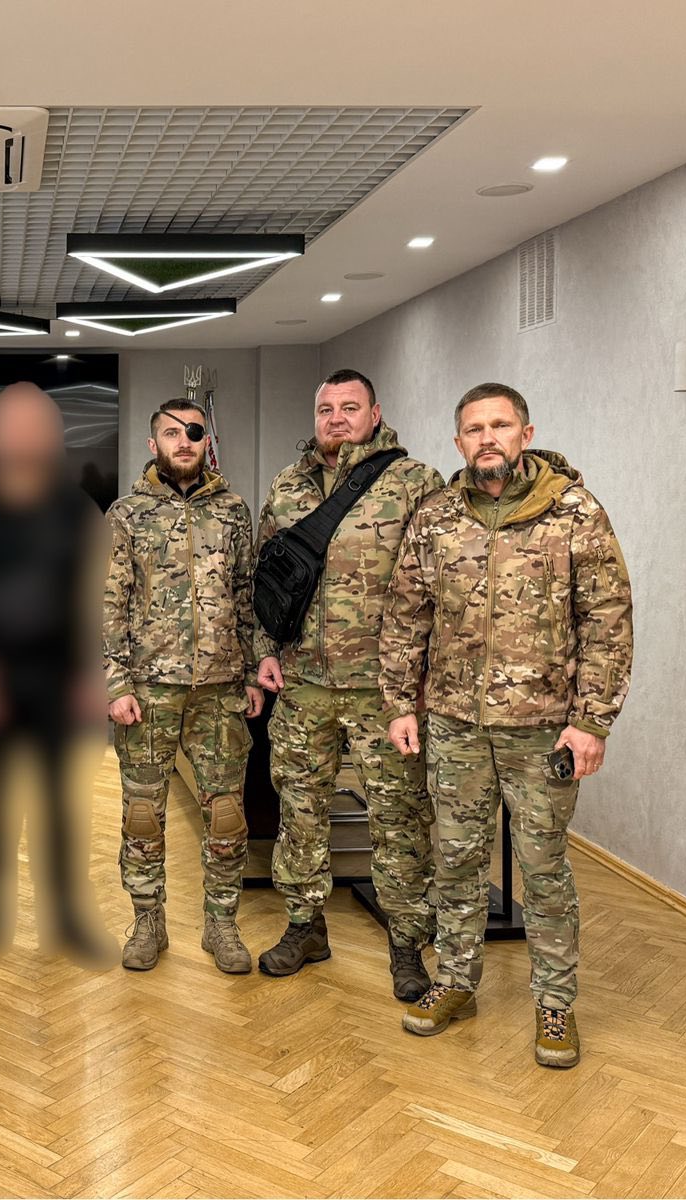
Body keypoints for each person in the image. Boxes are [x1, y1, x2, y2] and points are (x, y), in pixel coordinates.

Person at [381, 382, 633, 1068]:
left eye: (499, 425)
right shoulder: (435, 518)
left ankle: (555, 1003)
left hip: (542, 729)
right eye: (474, 428)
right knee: (456, 861)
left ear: (526, 433)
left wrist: (591, 721)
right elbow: (405, 617)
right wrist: (400, 703)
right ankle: (456, 981)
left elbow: (608, 622)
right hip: (455, 724)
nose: (487, 438)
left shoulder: (575, 512)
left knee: (543, 868)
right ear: (458, 441)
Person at [252, 369, 444, 998]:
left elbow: (439, 588)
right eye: (326, 408)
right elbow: (264, 578)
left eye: (349, 407)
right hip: (303, 684)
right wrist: (264, 651)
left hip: (383, 692)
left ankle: (408, 946)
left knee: (398, 818)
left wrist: (423, 677)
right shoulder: (288, 485)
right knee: (300, 812)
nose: (336, 419)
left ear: (375, 413)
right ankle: (305, 926)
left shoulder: (414, 483)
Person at [0, 383, 114, 968]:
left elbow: (102, 603)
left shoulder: (80, 511)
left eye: (36, 428)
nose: (24, 441)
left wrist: (93, 675)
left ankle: (69, 921)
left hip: (61, 684)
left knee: (64, 810)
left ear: (53, 438)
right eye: (13, 428)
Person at [103, 397, 263, 974]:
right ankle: (149, 921)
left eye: (194, 432)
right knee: (143, 814)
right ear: (154, 445)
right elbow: (106, 603)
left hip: (220, 690)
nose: (185, 441)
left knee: (226, 814)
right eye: (172, 433)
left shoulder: (233, 511)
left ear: (205, 440)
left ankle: (221, 924)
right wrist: (115, 683)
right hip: (149, 690)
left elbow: (247, 596)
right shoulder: (126, 514)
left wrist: (253, 669)